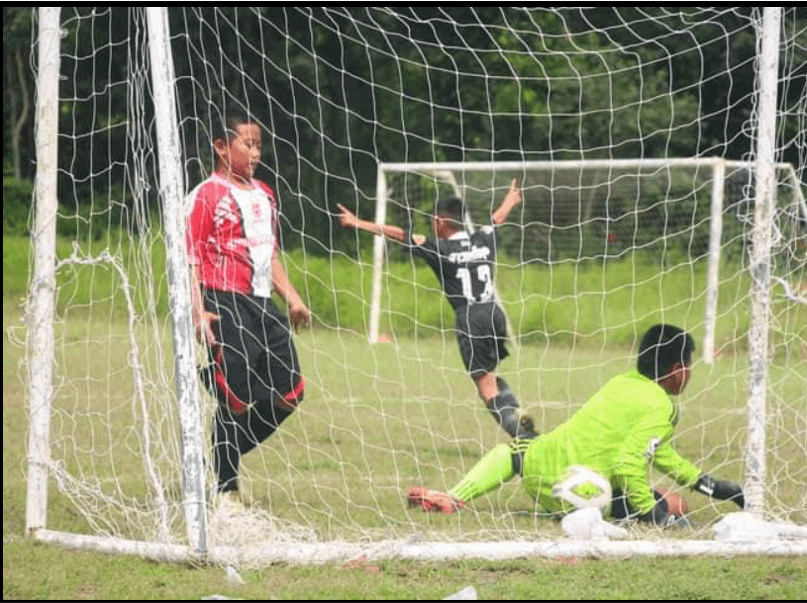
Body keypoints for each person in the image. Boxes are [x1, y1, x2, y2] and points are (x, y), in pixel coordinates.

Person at [406, 324, 745, 526]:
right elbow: (629, 462)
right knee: (676, 504)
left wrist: (712, 485)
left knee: (516, 449)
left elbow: (660, 453)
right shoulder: (663, 407)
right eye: (688, 365)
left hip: (539, 474)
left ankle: (455, 497)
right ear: (675, 370)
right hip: (585, 492)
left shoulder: (621, 382)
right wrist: (653, 513)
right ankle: (595, 511)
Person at [337, 180, 536, 439]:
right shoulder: (483, 239)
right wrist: (510, 200)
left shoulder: (441, 248)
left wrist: (357, 223)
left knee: (485, 387)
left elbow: (399, 234)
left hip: (470, 318)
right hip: (493, 312)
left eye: (433, 219)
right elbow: (496, 220)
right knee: (491, 376)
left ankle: (523, 435)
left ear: (441, 221)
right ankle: (518, 415)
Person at [186, 104, 311, 504]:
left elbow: (268, 252)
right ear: (222, 147)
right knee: (236, 392)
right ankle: (227, 490)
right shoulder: (207, 194)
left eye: (259, 144)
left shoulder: (265, 195)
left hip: (260, 302)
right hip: (222, 298)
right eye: (248, 143)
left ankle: (220, 458)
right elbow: (188, 256)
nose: (256, 152)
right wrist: (196, 307)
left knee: (290, 388)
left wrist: (291, 297)